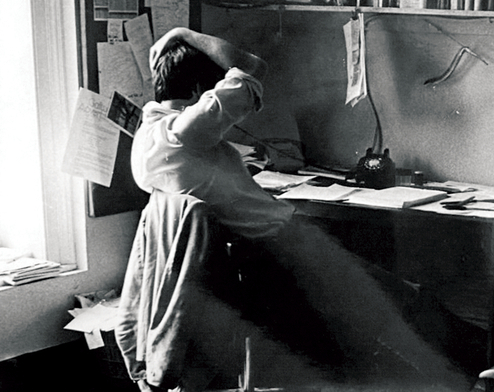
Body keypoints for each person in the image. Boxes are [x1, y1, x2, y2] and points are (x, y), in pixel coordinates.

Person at [126, 27, 470, 392]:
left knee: (389, 298)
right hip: (283, 253)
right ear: (198, 91)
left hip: (254, 266)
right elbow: (251, 67)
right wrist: (184, 33)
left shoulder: (146, 141)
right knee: (400, 300)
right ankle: (475, 374)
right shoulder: (186, 131)